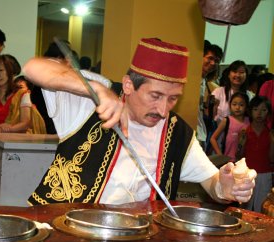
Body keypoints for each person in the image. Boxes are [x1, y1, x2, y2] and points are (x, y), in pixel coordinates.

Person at [23, 38, 256, 206]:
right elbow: (33, 68)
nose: (163, 110)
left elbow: (211, 182)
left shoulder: (177, 133)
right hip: (64, 230)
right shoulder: (91, 100)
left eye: (173, 99)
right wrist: (95, 90)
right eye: (155, 96)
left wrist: (225, 188)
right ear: (128, 85)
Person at [238, 96, 273, 213]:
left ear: (268, 113)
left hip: (265, 173)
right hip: (248, 173)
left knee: (262, 207)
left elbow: (272, 158)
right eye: (256, 109)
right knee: (245, 207)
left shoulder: (270, 134)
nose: (259, 113)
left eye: (264, 110)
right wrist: (241, 143)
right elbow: (239, 155)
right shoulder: (245, 131)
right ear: (250, 111)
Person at [197, 41, 223, 150]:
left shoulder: (205, 81)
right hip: (195, 130)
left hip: (201, 131)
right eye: (210, 58)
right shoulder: (192, 77)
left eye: (216, 61)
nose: (212, 63)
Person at [210, 92, 249, 162]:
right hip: (228, 161)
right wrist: (220, 155)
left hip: (244, 162)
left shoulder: (249, 122)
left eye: (241, 105)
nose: (237, 107)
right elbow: (213, 138)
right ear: (230, 105)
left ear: (246, 107)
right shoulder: (227, 120)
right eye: (234, 104)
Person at [212, 60, 252, 124]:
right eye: (235, 71)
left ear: (246, 75)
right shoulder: (218, 92)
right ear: (229, 74)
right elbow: (211, 115)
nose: (238, 75)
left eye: (241, 72)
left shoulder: (250, 96)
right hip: (219, 131)